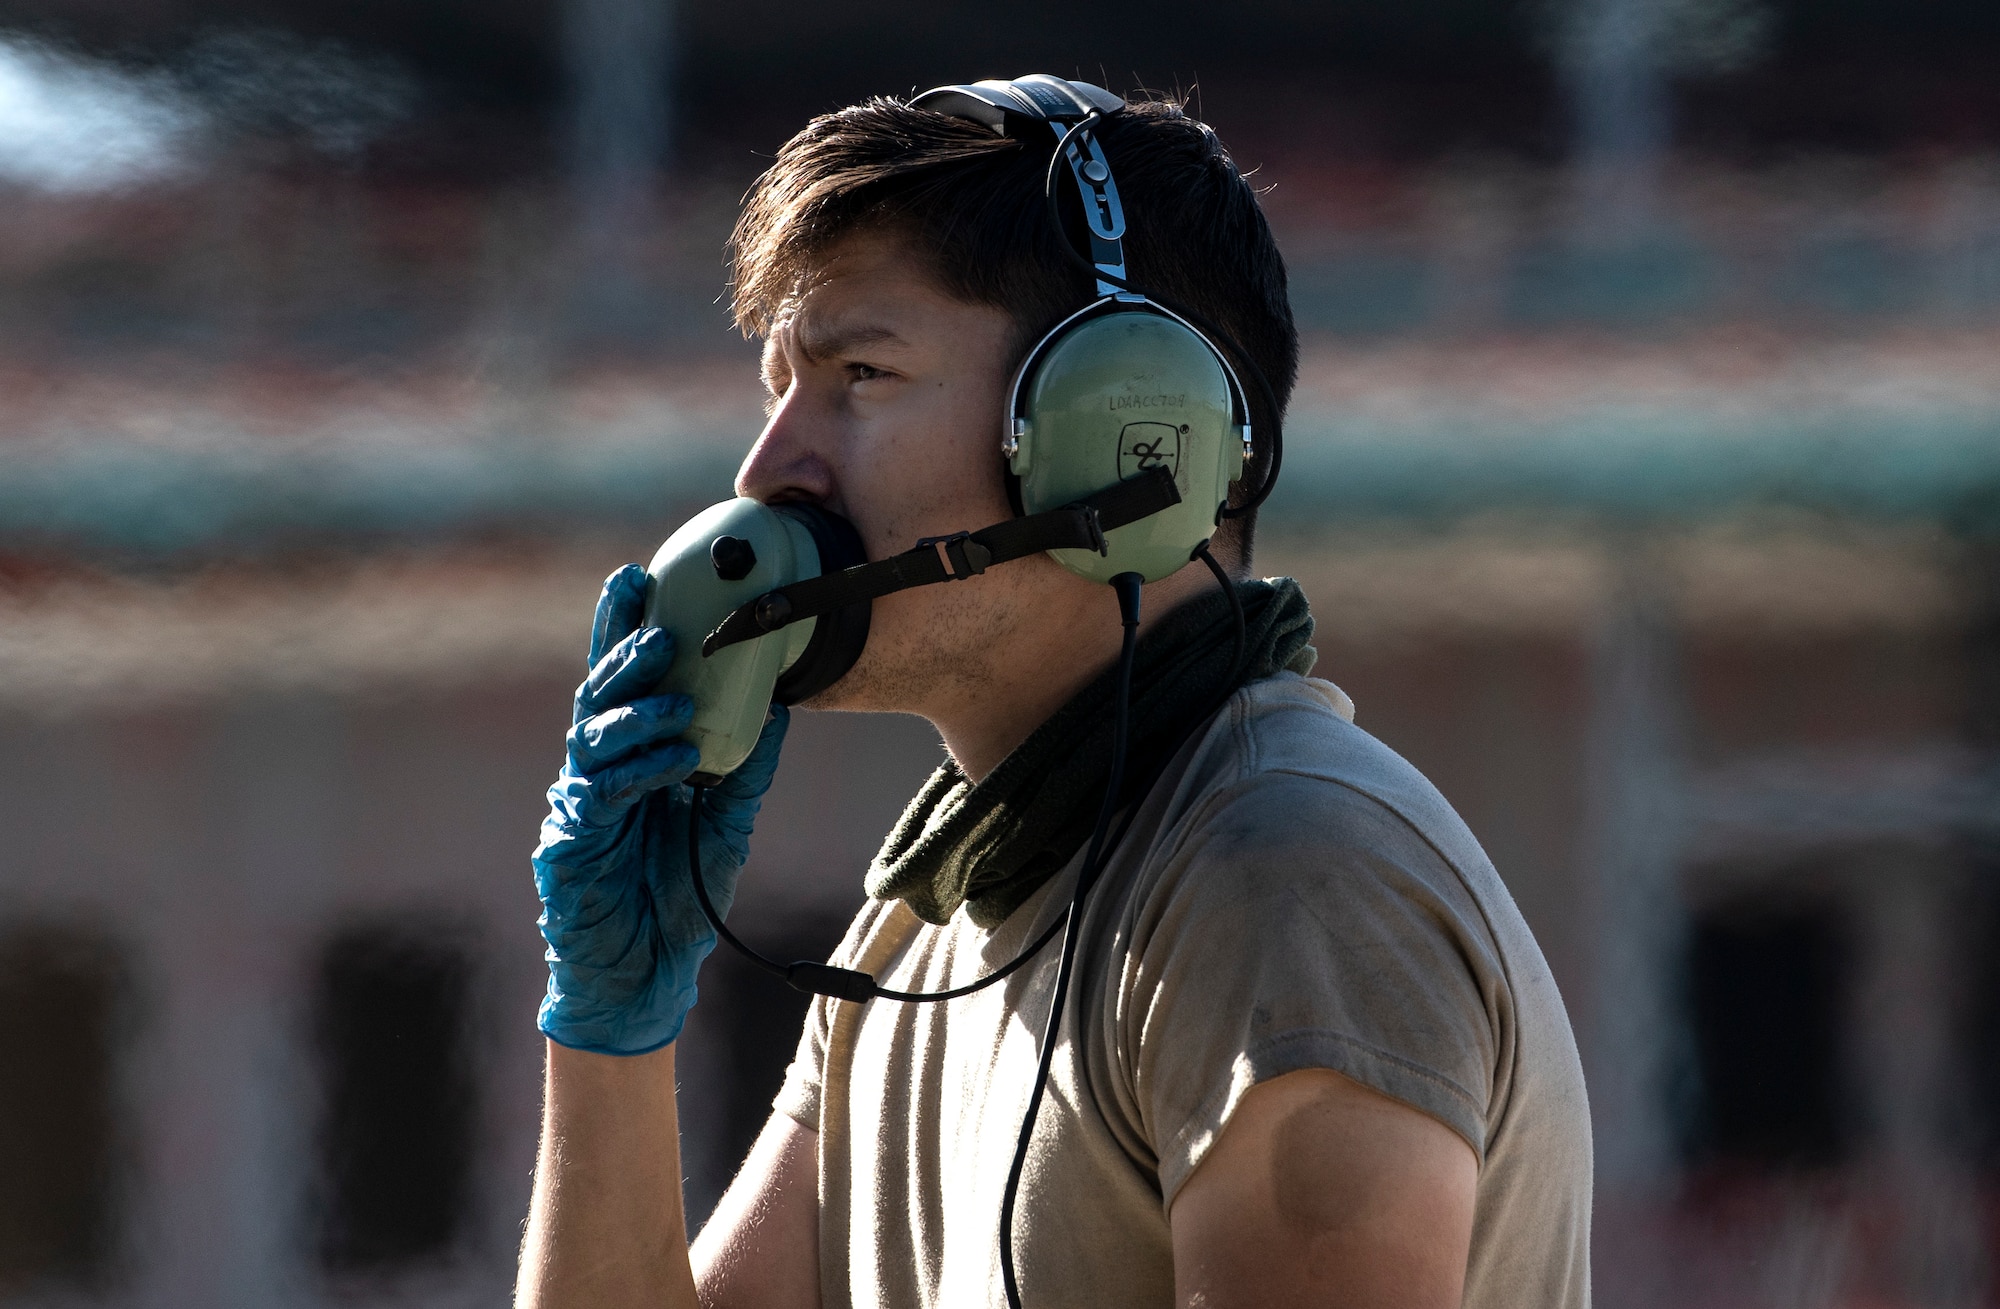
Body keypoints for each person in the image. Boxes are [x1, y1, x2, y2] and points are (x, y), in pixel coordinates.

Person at [516, 83, 1591, 1309]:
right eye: (776, 390)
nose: (768, 467)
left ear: (1127, 437)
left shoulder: (1288, 883)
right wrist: (608, 1035)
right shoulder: (919, 929)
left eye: (859, 373)